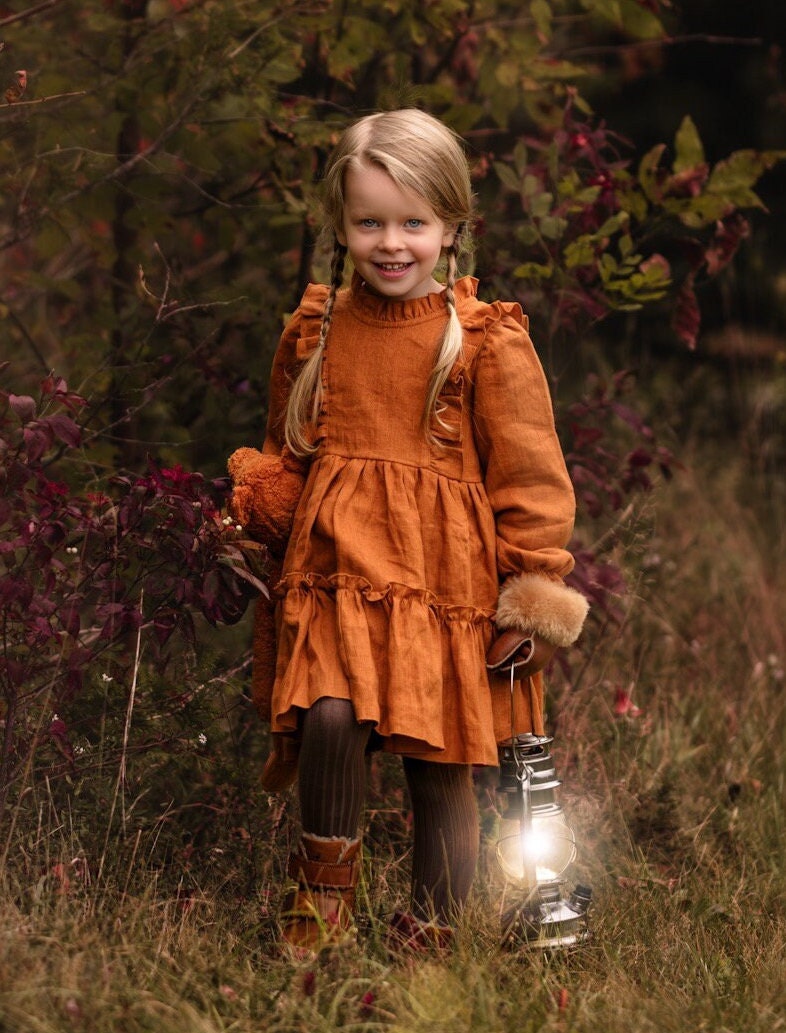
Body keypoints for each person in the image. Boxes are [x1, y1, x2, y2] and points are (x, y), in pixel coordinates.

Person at [235, 108, 588, 954]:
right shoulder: (318, 330)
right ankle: (317, 914)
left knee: (439, 769)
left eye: (413, 223)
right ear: (342, 225)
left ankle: (432, 942)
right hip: (336, 578)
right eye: (370, 222)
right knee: (327, 715)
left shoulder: (485, 345)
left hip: (444, 589)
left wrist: (530, 599)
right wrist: (261, 508)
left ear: (452, 226)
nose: (392, 243)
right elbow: (291, 447)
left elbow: (533, 479)